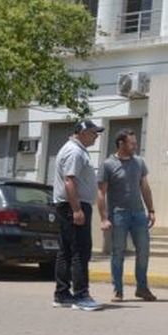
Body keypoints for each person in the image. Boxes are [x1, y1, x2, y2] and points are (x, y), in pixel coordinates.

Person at [97, 128, 156, 302]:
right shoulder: (108, 164)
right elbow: (101, 193)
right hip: (119, 215)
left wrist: (151, 210)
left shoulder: (139, 162)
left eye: (135, 143)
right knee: (118, 253)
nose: (135, 146)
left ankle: (142, 288)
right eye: (132, 143)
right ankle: (118, 290)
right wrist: (104, 218)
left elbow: (144, 187)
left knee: (144, 250)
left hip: (138, 214)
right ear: (121, 144)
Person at [52, 119, 104, 311]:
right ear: (82, 132)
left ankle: (62, 294)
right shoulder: (74, 152)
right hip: (73, 205)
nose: (96, 136)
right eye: (93, 132)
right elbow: (69, 181)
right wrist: (76, 210)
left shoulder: (74, 149)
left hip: (68, 205)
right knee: (80, 251)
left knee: (66, 250)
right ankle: (81, 295)